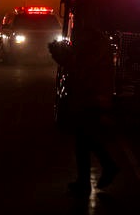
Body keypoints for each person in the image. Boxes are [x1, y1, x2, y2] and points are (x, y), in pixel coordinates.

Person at [49, 23, 120, 197]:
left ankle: (103, 170)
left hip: (91, 96)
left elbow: (81, 67)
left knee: (85, 138)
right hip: (91, 95)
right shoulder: (96, 41)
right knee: (85, 139)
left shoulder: (93, 43)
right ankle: (88, 179)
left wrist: (61, 56)